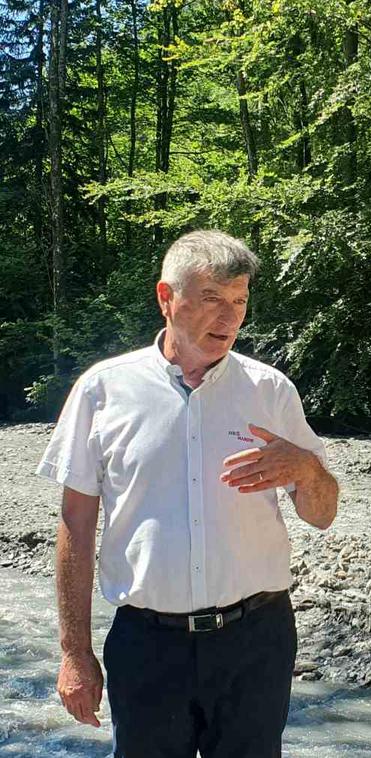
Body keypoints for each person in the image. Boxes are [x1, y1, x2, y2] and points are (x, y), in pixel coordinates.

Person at [40, 230, 339, 757]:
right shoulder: (103, 390)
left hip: (256, 640)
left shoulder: (270, 392)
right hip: (148, 644)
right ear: (165, 298)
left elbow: (322, 515)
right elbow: (75, 525)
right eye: (211, 299)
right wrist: (75, 652)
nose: (228, 318)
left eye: (239, 301)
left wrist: (309, 470)